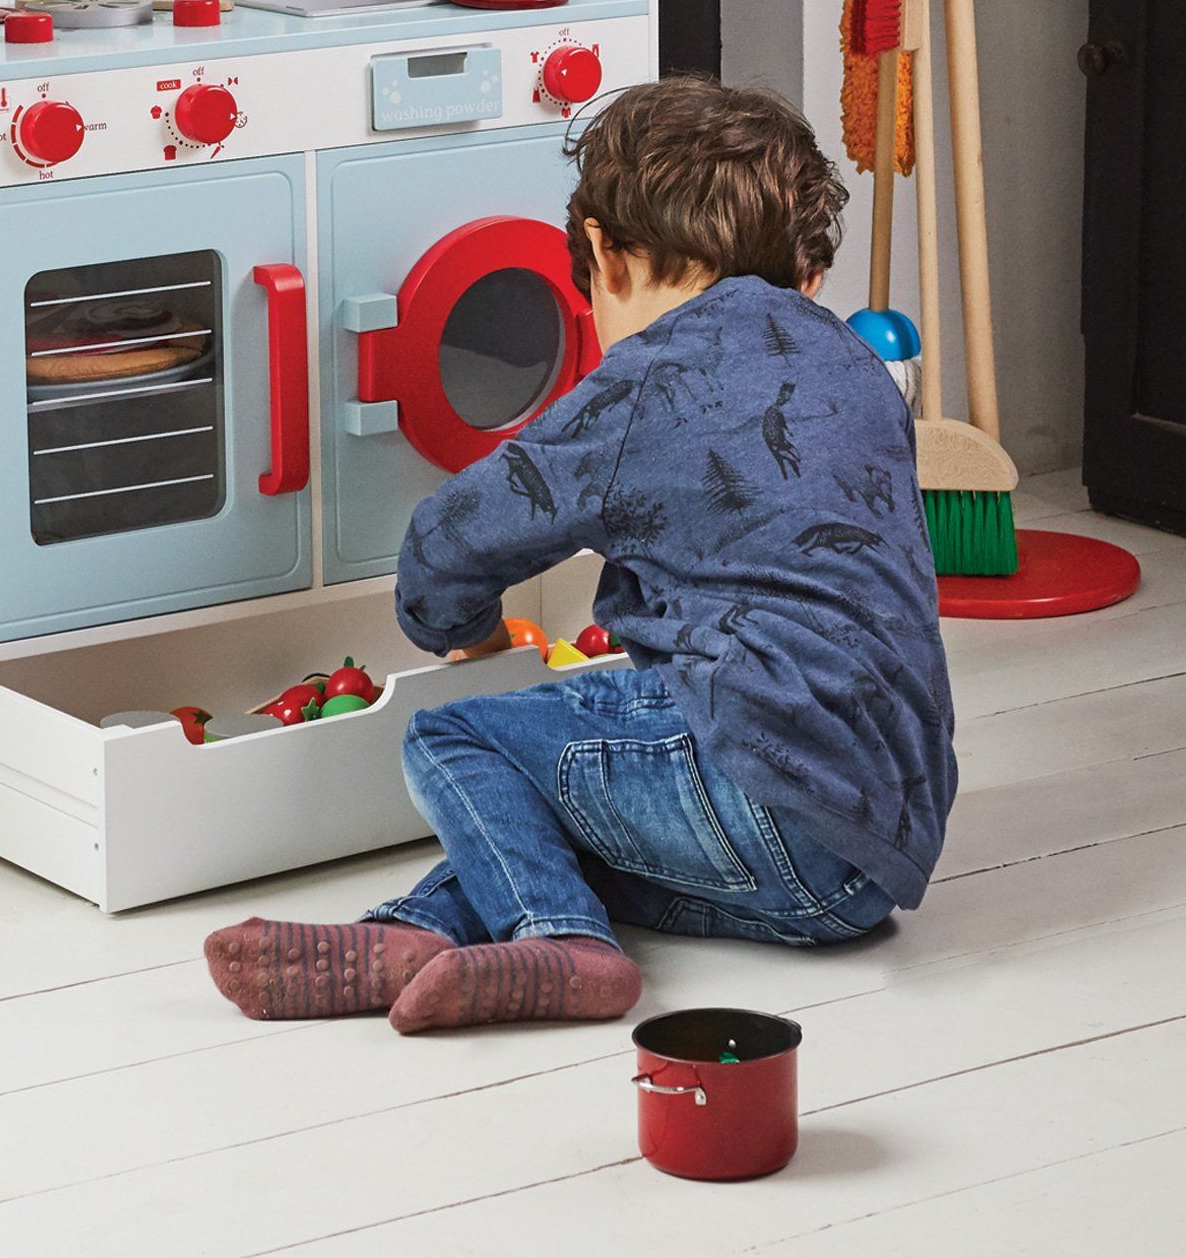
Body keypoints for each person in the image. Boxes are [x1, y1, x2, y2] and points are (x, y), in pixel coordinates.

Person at [206, 76, 955, 1034]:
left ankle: (560, 939)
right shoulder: (856, 366)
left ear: (603, 251)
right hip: (859, 871)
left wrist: (460, 630)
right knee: (556, 822)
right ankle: (411, 938)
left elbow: (454, 536)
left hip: (750, 784)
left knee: (460, 739)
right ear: (804, 268)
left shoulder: (648, 379)